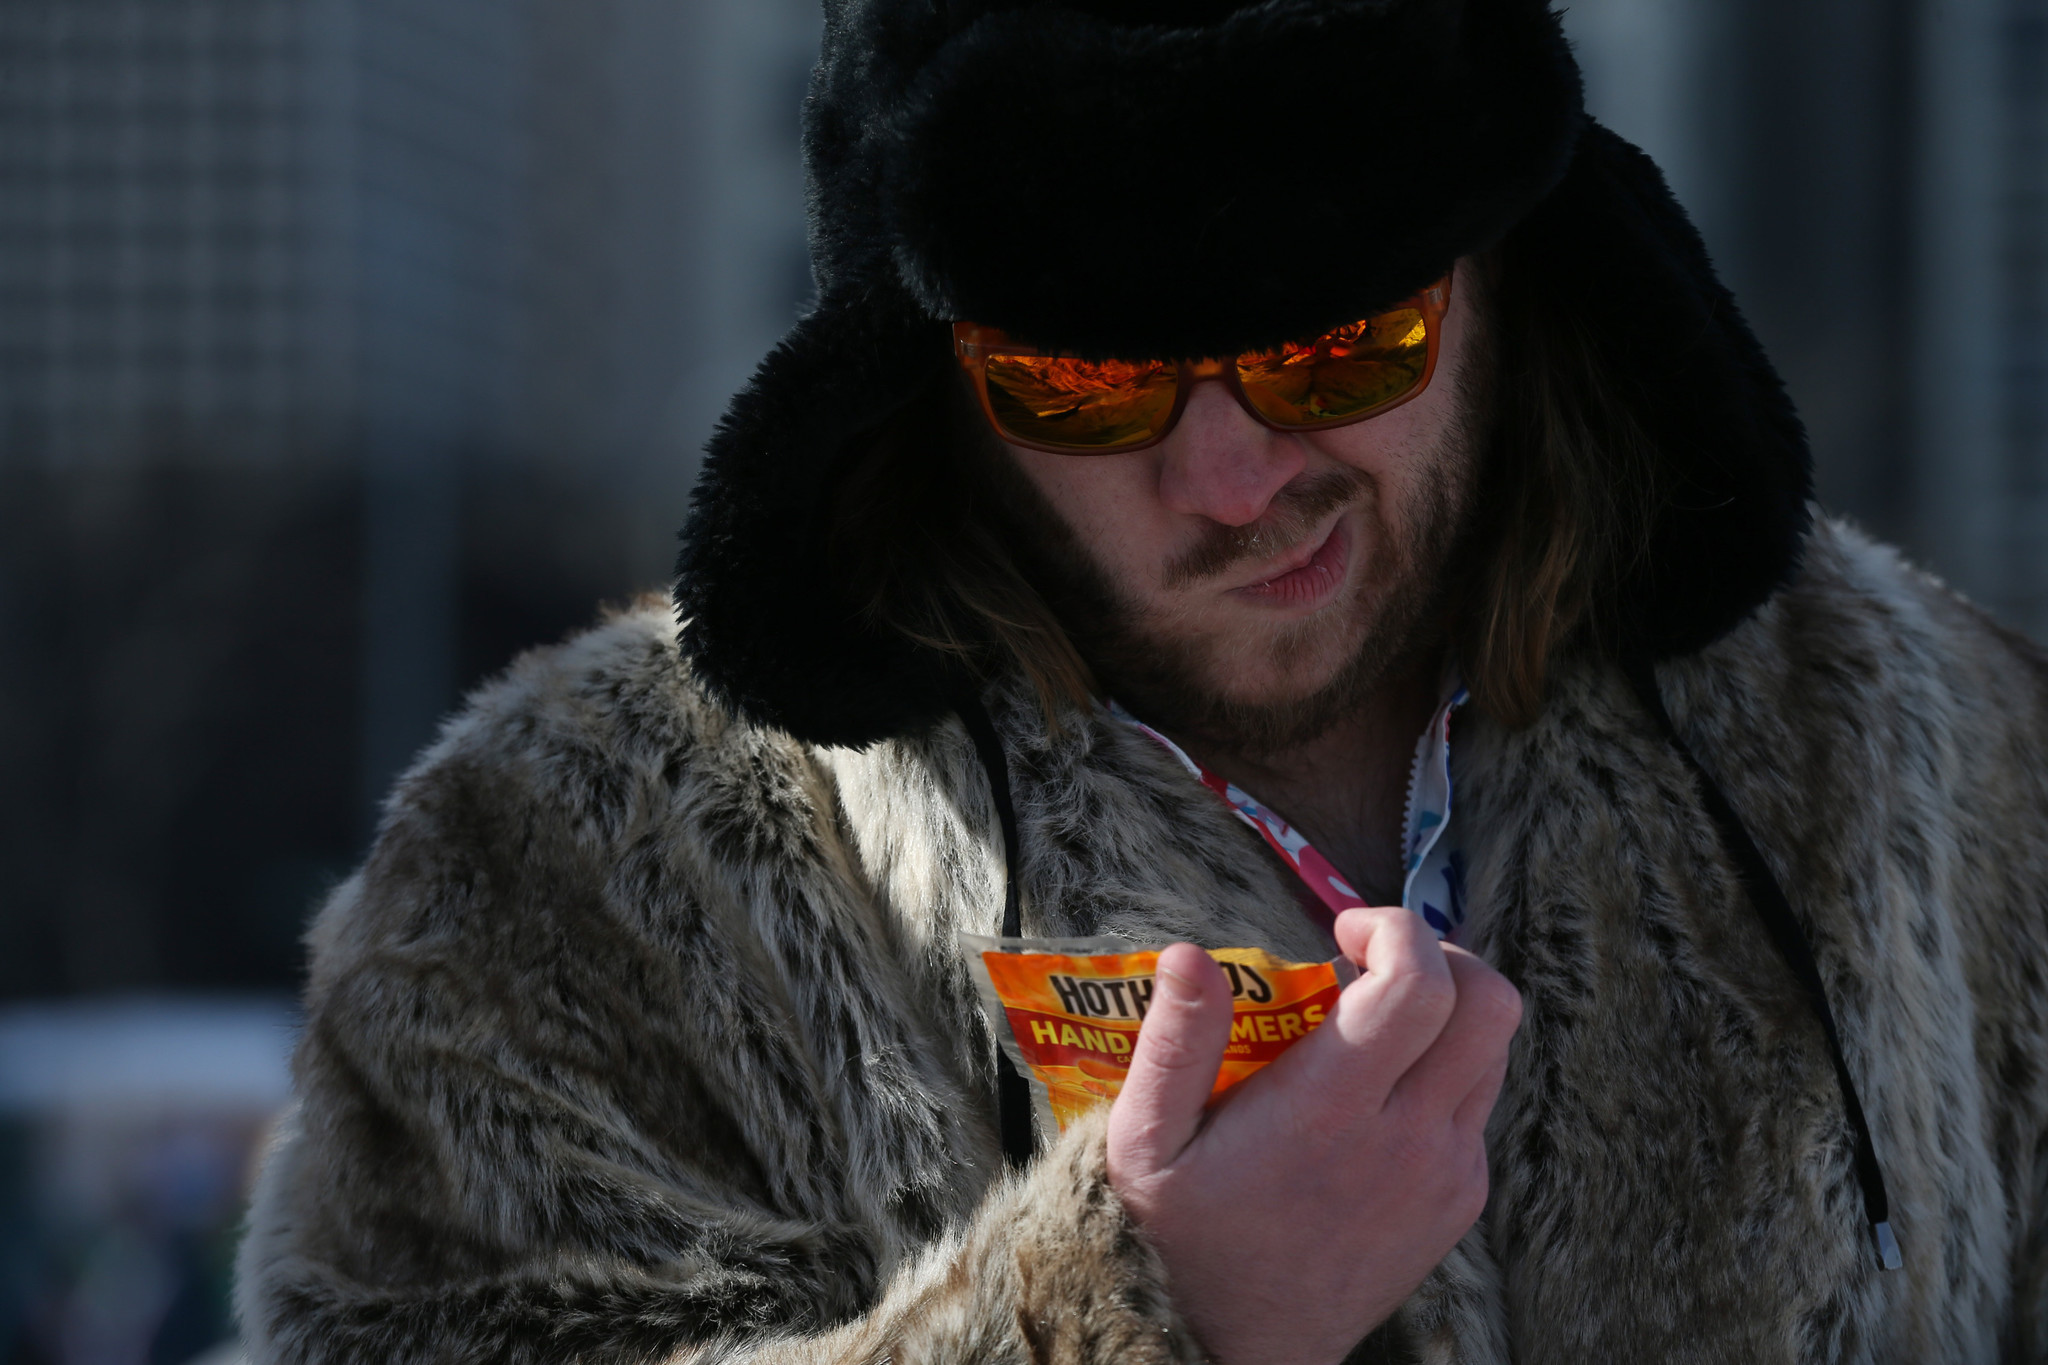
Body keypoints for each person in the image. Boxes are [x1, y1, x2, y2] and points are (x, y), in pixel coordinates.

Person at [234, 1, 2048, 1361]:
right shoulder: (577, 859)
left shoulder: (1912, 747)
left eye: (1338, 344)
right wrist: (1132, 1318)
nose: (1236, 479)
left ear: (1502, 275)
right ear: (936, 383)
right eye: (1084, 386)